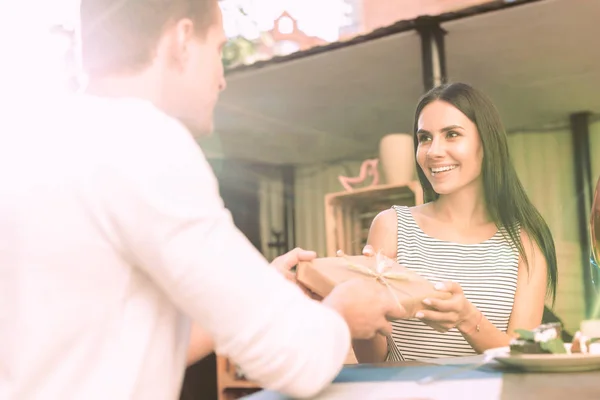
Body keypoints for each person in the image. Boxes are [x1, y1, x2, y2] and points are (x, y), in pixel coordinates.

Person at [0, 1, 408, 399]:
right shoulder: (144, 140)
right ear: (182, 39)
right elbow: (294, 361)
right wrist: (341, 313)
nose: (222, 77)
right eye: (218, 50)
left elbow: (106, 348)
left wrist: (252, 292)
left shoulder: (32, 143)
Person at [352, 82, 558, 363]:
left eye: (451, 134)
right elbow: (372, 361)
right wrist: (356, 304)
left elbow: (524, 357)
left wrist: (466, 318)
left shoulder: (526, 243)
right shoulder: (391, 226)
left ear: (486, 143)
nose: (434, 151)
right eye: (425, 138)